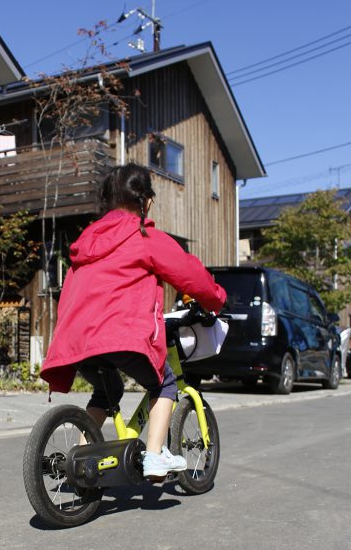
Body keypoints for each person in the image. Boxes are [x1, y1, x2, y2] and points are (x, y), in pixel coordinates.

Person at [40, 163, 227, 479]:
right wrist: (217, 299)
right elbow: (191, 275)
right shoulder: (144, 235)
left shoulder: (85, 244)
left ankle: (81, 460)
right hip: (121, 335)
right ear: (147, 201)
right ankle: (154, 457)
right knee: (165, 382)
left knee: (106, 389)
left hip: (75, 340)